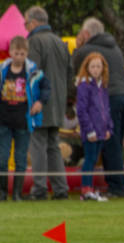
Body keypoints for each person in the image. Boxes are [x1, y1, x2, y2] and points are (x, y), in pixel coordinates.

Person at [73, 17, 124, 198]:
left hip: (108, 99)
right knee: (115, 144)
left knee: (110, 146)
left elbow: (74, 68)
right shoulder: (115, 48)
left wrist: (78, 47)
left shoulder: (86, 50)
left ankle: (118, 188)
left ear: (86, 34)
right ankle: (115, 184)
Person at [24, 6, 72, 200]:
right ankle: (61, 189)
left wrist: (34, 101)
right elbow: (70, 74)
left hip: (40, 103)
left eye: (26, 22)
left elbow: (32, 74)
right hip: (58, 102)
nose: (25, 26)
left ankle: (39, 189)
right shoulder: (61, 42)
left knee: (37, 145)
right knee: (53, 146)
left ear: (34, 22)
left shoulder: (34, 42)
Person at [0, 36, 50, 201]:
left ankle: (17, 194)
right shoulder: (3, 70)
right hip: (4, 121)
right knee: (2, 158)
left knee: (21, 159)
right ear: (11, 52)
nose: (19, 57)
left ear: (26, 53)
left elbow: (46, 88)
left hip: (23, 121)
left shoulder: (34, 72)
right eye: (16, 53)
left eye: (22, 54)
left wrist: (40, 102)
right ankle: (2, 193)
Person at [76, 53, 112, 202]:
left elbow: (107, 109)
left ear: (103, 68)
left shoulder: (102, 87)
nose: (96, 69)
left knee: (94, 160)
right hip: (90, 132)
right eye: (93, 66)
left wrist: (109, 128)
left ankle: (90, 189)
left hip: (102, 131)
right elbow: (82, 110)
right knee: (89, 159)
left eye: (98, 66)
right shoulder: (84, 86)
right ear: (87, 68)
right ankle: (85, 190)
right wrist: (89, 130)